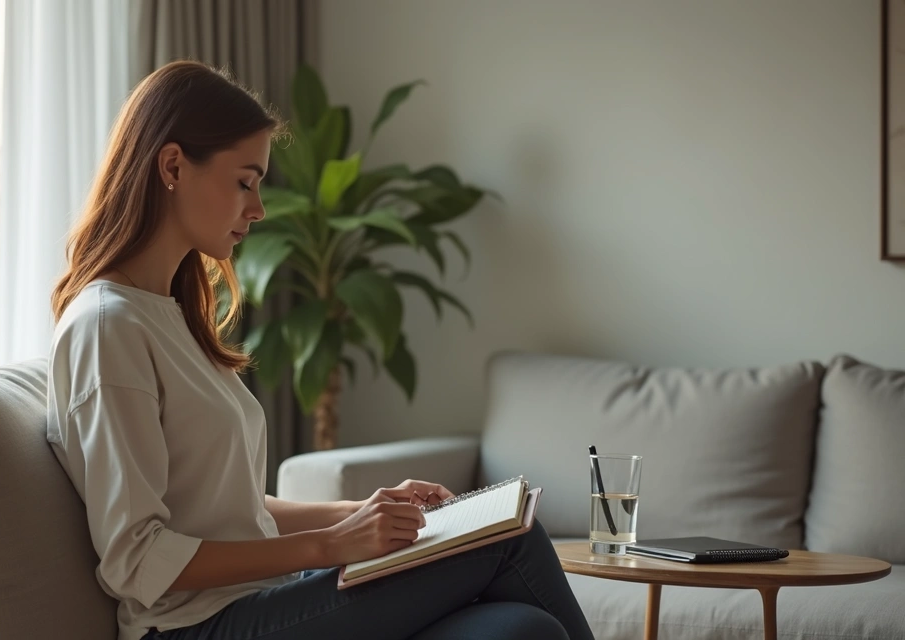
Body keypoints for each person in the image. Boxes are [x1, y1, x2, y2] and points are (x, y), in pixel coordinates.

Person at [45, 60, 595, 640]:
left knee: (524, 628)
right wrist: (331, 544)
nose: (258, 208)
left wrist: (361, 514)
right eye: (245, 181)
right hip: (196, 627)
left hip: (261, 602)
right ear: (174, 165)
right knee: (513, 534)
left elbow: (229, 509)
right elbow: (136, 558)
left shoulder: (170, 317)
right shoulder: (109, 328)